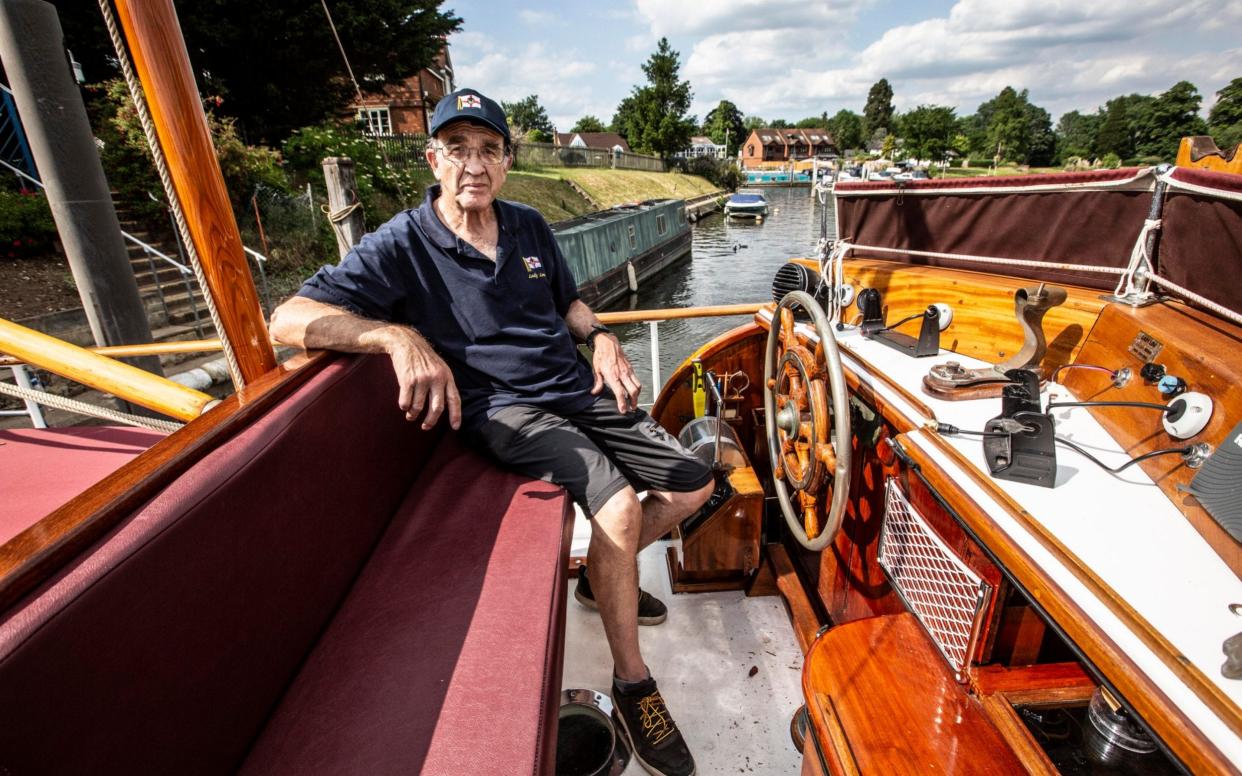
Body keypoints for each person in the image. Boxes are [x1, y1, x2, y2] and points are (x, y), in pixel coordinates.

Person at [268, 87, 712, 776]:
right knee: (619, 507)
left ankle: (600, 579)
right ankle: (633, 686)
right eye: (457, 150)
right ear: (433, 159)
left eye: (487, 150)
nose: (473, 165)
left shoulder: (530, 226)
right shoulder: (402, 243)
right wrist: (393, 334)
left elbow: (568, 302)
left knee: (692, 483)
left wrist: (598, 340)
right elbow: (286, 320)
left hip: (574, 385)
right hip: (502, 408)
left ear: (505, 162)